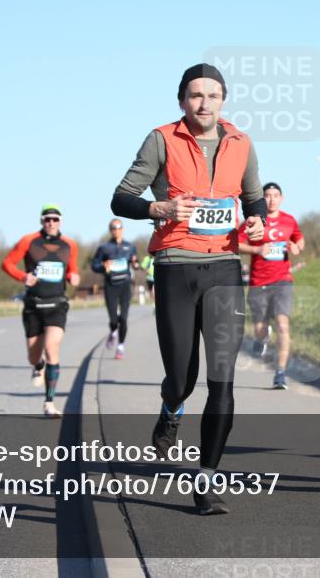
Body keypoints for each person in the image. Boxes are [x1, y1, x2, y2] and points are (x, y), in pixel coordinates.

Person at [111, 63, 266, 515]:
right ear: (182, 101)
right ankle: (171, 410)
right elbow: (121, 196)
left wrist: (255, 218)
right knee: (182, 379)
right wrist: (160, 206)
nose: (204, 103)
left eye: (213, 95)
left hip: (223, 267)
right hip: (176, 265)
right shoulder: (161, 139)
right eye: (196, 95)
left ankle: (207, 480)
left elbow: (252, 197)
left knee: (222, 380)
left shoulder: (242, 143)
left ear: (224, 100)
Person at [1, 204, 80, 418]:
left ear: (60, 222)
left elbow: (72, 269)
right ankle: (38, 365)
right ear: (41, 221)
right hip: (34, 305)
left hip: (57, 304)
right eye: (47, 219)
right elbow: (7, 264)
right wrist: (23, 277)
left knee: (52, 346)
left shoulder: (70, 245)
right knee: (33, 355)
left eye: (55, 219)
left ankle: (49, 403)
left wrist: (74, 277)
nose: (51, 223)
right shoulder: (29, 241)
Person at [238, 182, 305, 390]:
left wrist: (296, 247)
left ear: (281, 198)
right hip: (258, 282)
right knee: (259, 329)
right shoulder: (254, 222)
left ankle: (280, 373)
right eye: (267, 195)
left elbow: (299, 240)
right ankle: (262, 336)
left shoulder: (289, 220)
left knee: (283, 325)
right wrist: (257, 251)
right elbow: (236, 244)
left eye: (276, 195)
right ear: (262, 199)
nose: (272, 199)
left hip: (283, 281)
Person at [91, 219, 139, 359]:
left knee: (123, 318)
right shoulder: (104, 248)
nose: (116, 230)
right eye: (113, 228)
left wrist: (136, 264)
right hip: (111, 285)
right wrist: (102, 267)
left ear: (122, 229)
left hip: (125, 285)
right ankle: (113, 332)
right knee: (113, 320)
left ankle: (120, 346)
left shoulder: (130, 247)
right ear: (110, 230)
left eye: (119, 227)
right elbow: (94, 265)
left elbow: (136, 263)